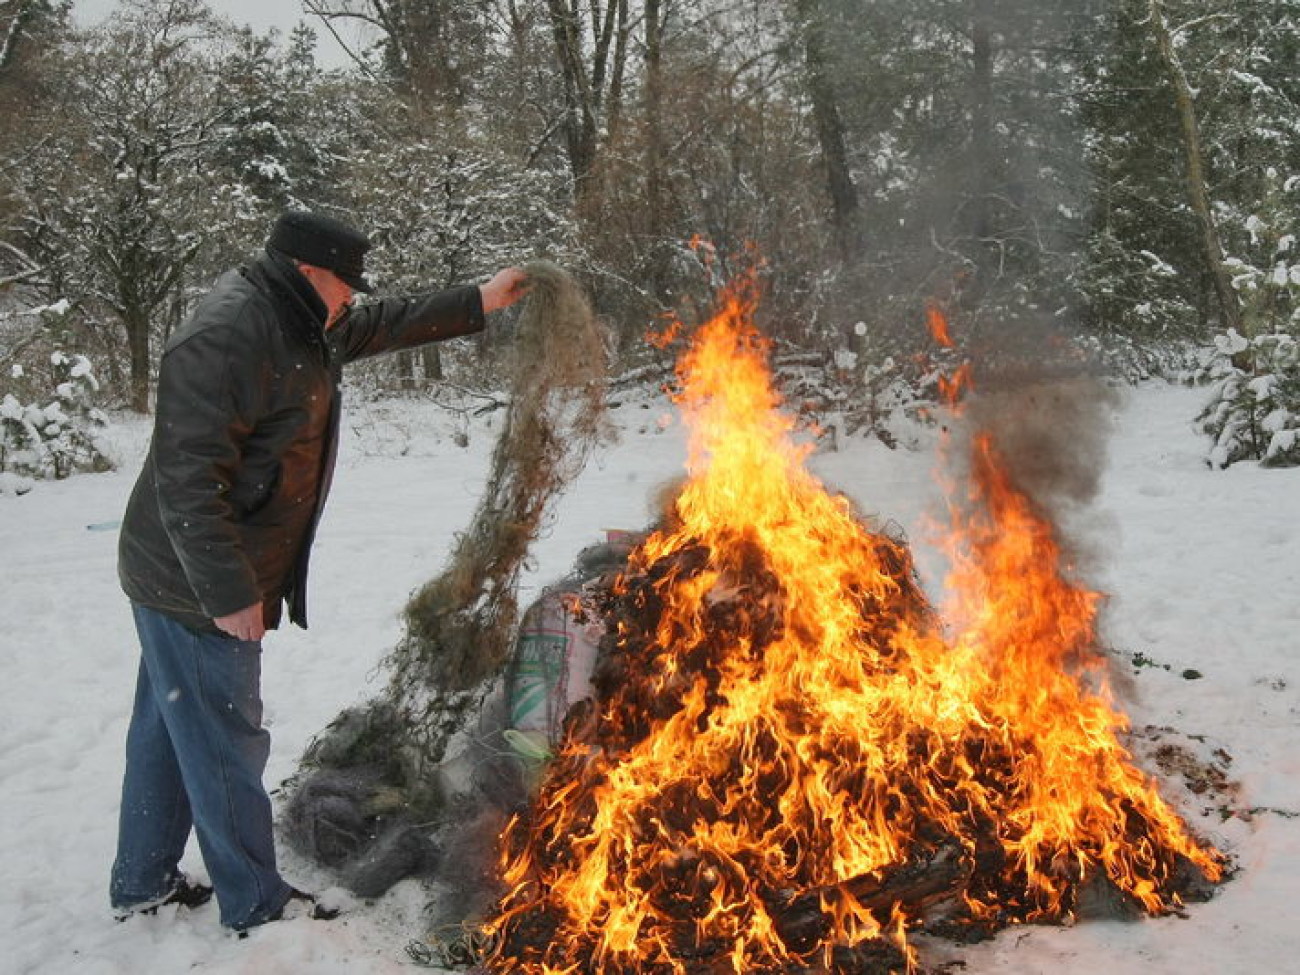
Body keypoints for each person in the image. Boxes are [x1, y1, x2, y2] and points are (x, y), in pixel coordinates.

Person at [109, 210, 530, 932]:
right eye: (346, 285)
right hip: (195, 579)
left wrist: (479, 300)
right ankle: (255, 902)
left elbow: (379, 325)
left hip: (181, 570)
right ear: (310, 272)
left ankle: (142, 879)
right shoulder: (229, 334)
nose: (352, 300)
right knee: (223, 741)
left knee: (169, 725)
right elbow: (187, 480)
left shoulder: (296, 313)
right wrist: (231, 593)